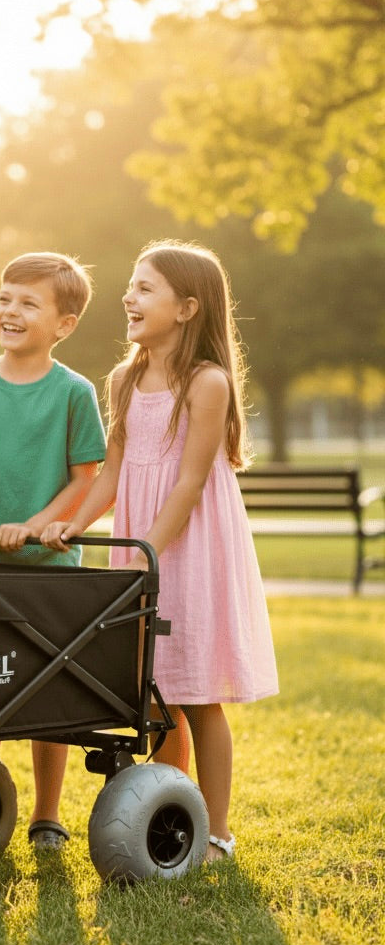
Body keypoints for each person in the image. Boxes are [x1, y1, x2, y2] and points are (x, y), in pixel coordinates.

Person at [43, 239, 279, 863]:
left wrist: (149, 545)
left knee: (198, 690)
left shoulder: (207, 383)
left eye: (146, 288)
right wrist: (73, 522)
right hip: (142, 547)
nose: (129, 296)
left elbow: (191, 482)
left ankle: (218, 832)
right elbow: (112, 474)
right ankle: (173, 812)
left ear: (188, 308)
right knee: (153, 688)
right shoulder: (123, 379)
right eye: (131, 284)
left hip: (191, 545)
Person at [0, 252, 107, 852]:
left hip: (50, 571)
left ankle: (47, 815)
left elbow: (85, 479)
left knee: (47, 691)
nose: (10, 311)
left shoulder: (74, 393)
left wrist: (33, 526)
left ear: (64, 324)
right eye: (5, 297)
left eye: (29, 303)